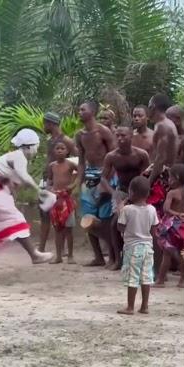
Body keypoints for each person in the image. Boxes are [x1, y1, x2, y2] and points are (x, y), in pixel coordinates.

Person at [0, 129, 54, 278]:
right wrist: (39, 190)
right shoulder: (19, 156)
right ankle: (34, 255)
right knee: (15, 218)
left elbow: (13, 187)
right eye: (37, 147)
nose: (37, 150)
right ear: (29, 146)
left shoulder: (9, 158)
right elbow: (24, 176)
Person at [101, 126, 151, 270]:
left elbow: (146, 175)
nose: (120, 139)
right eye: (117, 136)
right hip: (121, 191)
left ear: (131, 136)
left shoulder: (141, 154)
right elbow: (103, 177)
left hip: (139, 192)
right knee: (115, 224)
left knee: (141, 224)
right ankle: (117, 259)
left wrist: (138, 195)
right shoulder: (111, 156)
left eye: (123, 135)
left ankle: (143, 258)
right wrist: (113, 193)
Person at [75, 101, 117, 267]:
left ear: (92, 112)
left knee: (106, 218)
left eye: (82, 109)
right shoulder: (80, 135)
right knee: (88, 218)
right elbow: (80, 162)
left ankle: (114, 256)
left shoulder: (103, 131)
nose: (79, 112)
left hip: (106, 174)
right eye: (79, 109)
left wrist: (107, 182)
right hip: (90, 176)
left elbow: (113, 156)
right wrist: (79, 182)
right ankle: (98, 256)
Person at [117, 176, 159, 315]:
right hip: (148, 248)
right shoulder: (152, 209)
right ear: (148, 194)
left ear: (132, 192)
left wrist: (120, 210)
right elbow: (154, 230)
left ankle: (130, 307)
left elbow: (120, 227)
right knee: (146, 276)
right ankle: (145, 306)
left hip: (132, 248)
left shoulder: (127, 209)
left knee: (132, 277)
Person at [39, 112, 78, 252]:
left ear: (51, 123)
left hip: (61, 187)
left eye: (45, 123)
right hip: (48, 180)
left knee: (64, 216)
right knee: (44, 212)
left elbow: (77, 160)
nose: (43, 126)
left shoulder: (66, 140)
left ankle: (66, 250)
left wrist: (71, 182)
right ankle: (42, 248)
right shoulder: (50, 141)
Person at [155, 164, 184, 288]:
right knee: (182, 252)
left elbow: (166, 209)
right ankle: (182, 281)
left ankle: (160, 280)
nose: (168, 180)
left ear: (176, 178)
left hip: (171, 225)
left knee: (167, 254)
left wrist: (177, 214)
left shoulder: (172, 193)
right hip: (183, 225)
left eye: (170, 177)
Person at [46, 141, 79, 264]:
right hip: (56, 201)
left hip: (67, 200)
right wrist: (50, 189)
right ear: (54, 151)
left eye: (62, 148)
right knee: (57, 229)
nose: (60, 150)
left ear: (67, 151)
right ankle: (58, 256)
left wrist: (73, 185)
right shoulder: (52, 166)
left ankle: (70, 255)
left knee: (69, 229)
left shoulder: (70, 164)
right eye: (57, 148)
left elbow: (81, 173)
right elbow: (49, 181)